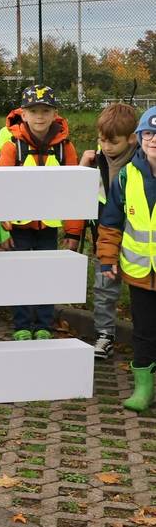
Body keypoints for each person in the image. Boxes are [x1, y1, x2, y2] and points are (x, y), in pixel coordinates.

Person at [0, 85, 82, 340]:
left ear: (55, 113)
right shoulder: (13, 147)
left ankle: (44, 323)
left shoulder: (66, 148)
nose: (40, 117)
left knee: (46, 274)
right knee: (20, 275)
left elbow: (74, 191)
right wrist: (2, 227)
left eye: (45, 110)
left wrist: (74, 231)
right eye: (34, 111)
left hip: (49, 226)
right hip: (19, 226)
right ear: (23, 114)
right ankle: (22, 324)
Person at [97, 106, 156, 412]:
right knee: (144, 332)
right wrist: (107, 260)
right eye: (149, 134)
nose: (154, 140)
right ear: (140, 138)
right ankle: (144, 388)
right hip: (140, 273)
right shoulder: (127, 176)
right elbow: (110, 222)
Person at [80, 102, 138, 360]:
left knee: (142, 293)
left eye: (113, 141)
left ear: (131, 138)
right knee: (104, 288)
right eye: (102, 140)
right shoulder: (96, 160)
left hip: (139, 241)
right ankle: (105, 334)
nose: (106, 146)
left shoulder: (143, 162)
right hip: (105, 236)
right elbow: (79, 195)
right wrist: (83, 168)